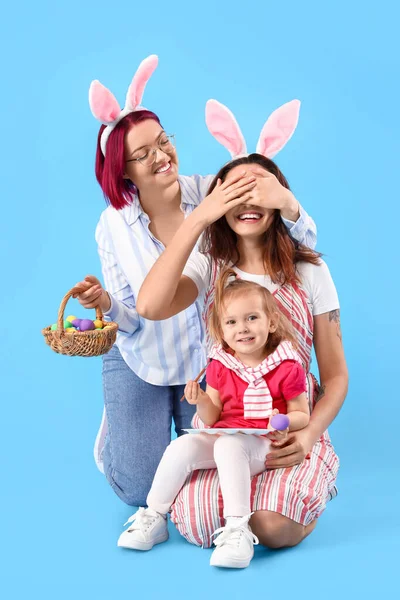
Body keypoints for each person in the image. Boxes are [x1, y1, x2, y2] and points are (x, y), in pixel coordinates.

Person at [74, 56, 318, 508]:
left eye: (162, 142)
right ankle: (124, 426)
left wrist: (284, 199)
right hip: (140, 357)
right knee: (139, 491)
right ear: (122, 169)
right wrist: (106, 302)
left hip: (204, 364)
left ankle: (164, 424)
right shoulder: (112, 226)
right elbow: (135, 315)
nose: (161, 157)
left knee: (203, 483)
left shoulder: (211, 190)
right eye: (143, 154)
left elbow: (301, 239)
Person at [135, 98, 348, 550]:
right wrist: (199, 217)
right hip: (230, 431)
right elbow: (151, 306)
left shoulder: (311, 271)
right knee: (193, 524)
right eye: (234, 193)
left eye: (259, 191)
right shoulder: (211, 266)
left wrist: (308, 436)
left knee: (270, 527)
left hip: (288, 427)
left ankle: (315, 487)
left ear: (276, 200)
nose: (248, 201)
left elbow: (335, 376)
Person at [117, 269, 310, 569]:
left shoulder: (285, 367)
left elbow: (302, 414)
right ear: (221, 330)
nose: (242, 329)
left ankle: (238, 529)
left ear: (271, 322)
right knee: (182, 447)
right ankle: (154, 516)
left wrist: (281, 421)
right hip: (226, 434)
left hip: (263, 442)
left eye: (251, 318)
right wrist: (202, 400)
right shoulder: (221, 366)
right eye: (232, 322)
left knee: (229, 447)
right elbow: (213, 416)